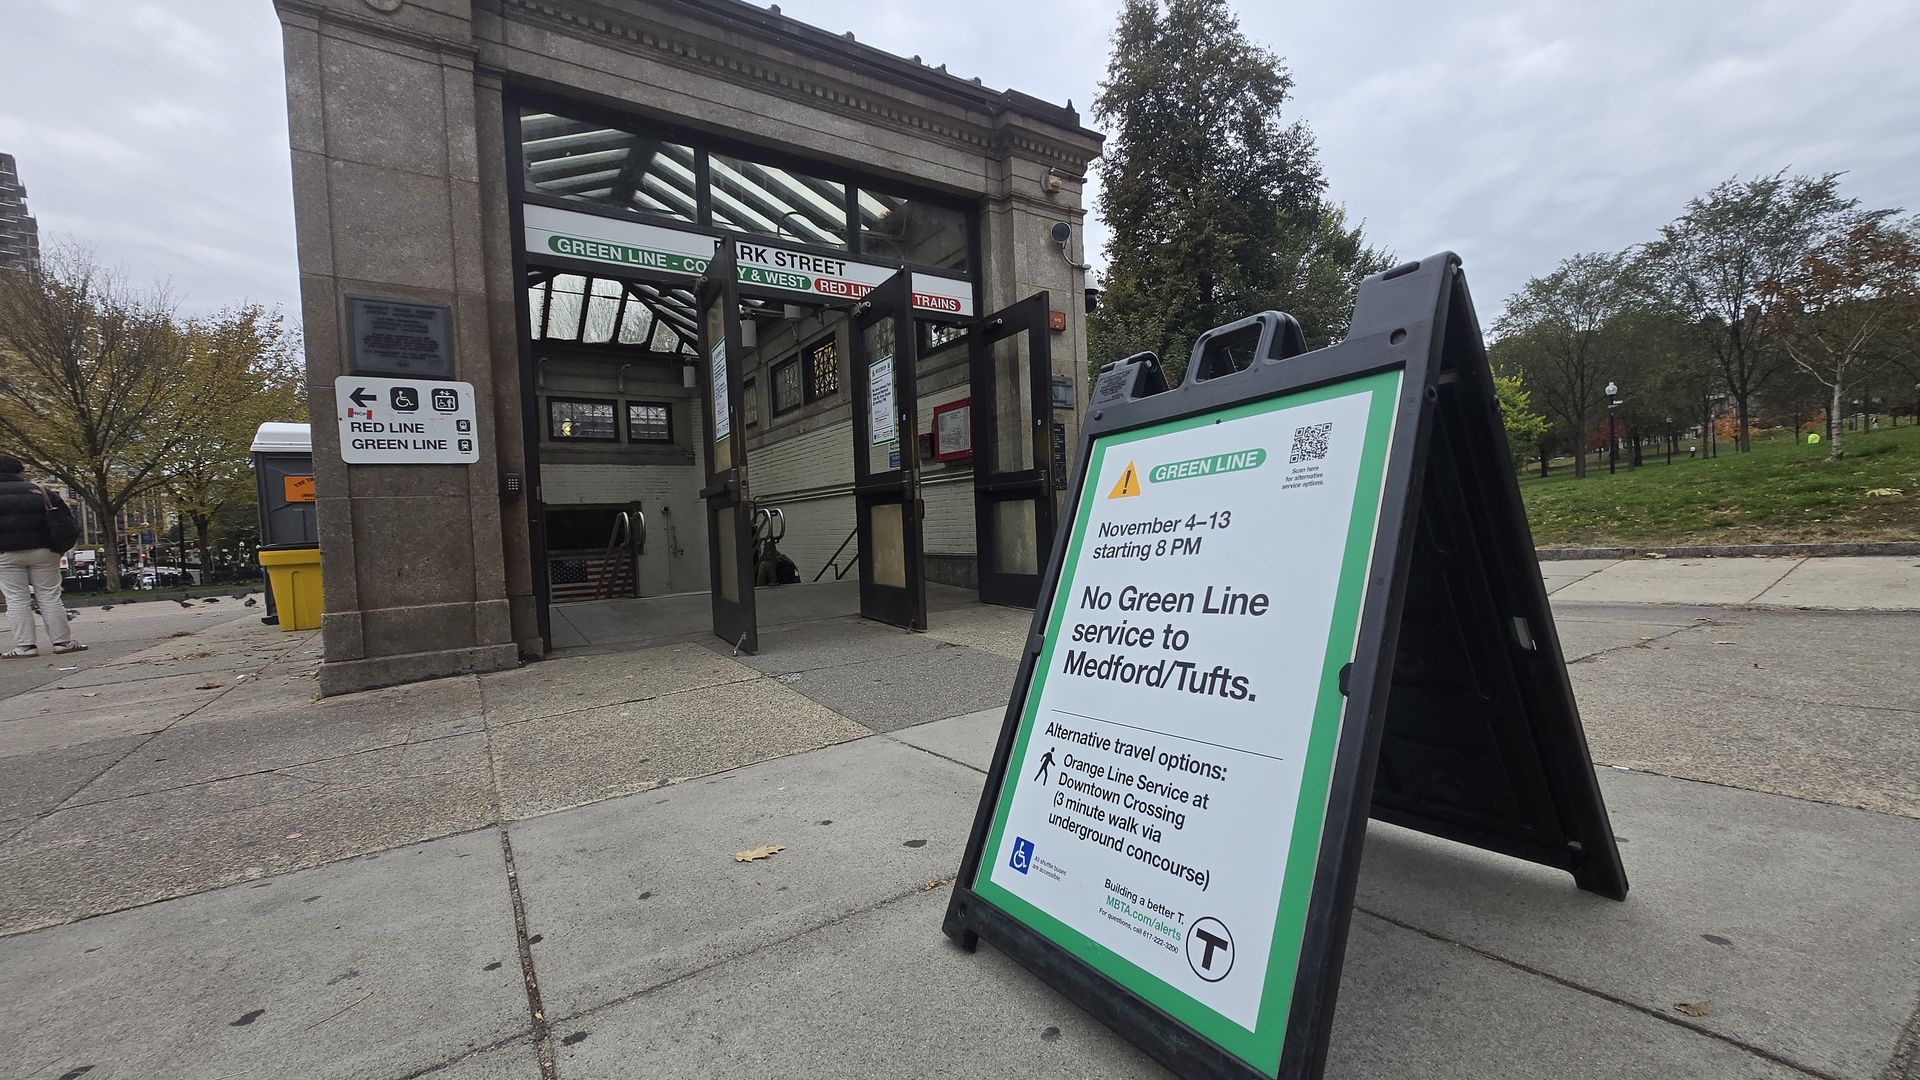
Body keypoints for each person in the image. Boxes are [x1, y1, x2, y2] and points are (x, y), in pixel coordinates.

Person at [0, 455, 85, 658]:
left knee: (16, 600)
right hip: (44, 551)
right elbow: (66, 520)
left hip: (5, 554)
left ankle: (25, 647)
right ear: (21, 473)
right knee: (49, 596)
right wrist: (61, 548)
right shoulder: (41, 492)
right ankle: (62, 642)